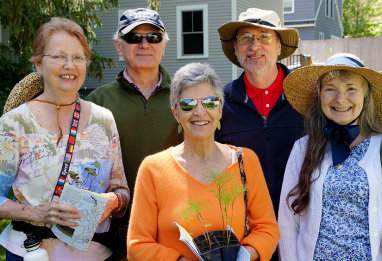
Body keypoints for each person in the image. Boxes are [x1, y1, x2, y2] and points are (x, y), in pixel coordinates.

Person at [0, 17, 129, 260]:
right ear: (38, 64)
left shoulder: (104, 120)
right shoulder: (14, 124)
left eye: (78, 57)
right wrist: (37, 213)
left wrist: (112, 201)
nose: (69, 65)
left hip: (94, 253)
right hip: (31, 252)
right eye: (58, 56)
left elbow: (120, 188)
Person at [127, 63, 280, 261]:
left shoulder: (245, 161)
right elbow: (137, 246)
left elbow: (268, 229)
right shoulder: (153, 169)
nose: (199, 112)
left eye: (209, 102)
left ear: (220, 110)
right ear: (176, 113)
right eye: (188, 104)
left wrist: (241, 257)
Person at [278, 53, 382, 260]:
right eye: (330, 89)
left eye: (351, 89)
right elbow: (288, 222)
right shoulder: (303, 148)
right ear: (320, 96)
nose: (340, 99)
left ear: (365, 95)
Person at [86, 8, 182, 259]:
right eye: (133, 38)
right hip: (114, 226)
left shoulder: (186, 97)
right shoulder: (97, 101)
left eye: (153, 38)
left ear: (163, 46)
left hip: (174, 221)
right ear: (119, 46)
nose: (144, 45)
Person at [215, 8, 305, 219]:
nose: (254, 46)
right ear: (236, 48)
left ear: (279, 46)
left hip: (302, 222)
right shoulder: (220, 103)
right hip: (245, 227)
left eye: (264, 37)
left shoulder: (307, 98)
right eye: (246, 38)